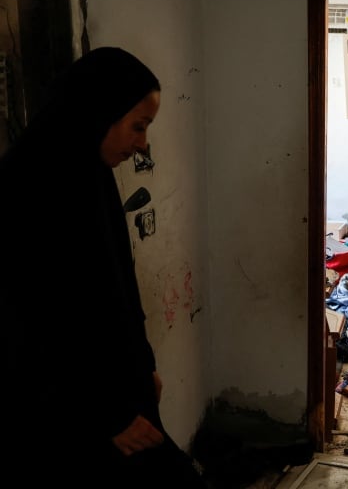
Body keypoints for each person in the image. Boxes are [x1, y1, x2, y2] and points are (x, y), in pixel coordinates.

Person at [0, 47, 208, 487]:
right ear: (99, 112)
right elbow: (36, 325)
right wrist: (107, 417)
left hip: (120, 398)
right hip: (76, 421)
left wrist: (144, 363)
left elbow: (115, 288)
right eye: (138, 125)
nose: (143, 144)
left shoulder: (89, 174)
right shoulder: (27, 188)